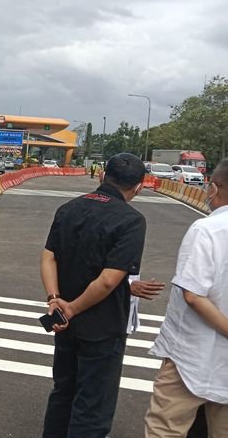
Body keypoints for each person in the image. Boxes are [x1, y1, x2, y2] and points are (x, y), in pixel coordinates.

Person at [41, 152, 148, 437]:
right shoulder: (131, 221)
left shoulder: (69, 208)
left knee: (63, 392)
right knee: (93, 407)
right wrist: (75, 308)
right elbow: (108, 280)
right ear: (139, 185)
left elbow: (48, 257)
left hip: (63, 323)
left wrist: (55, 300)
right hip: (102, 327)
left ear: (102, 175)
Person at [145, 159, 228, 437]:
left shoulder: (208, 229)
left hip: (190, 358)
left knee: (166, 428)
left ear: (214, 188)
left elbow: (193, 294)